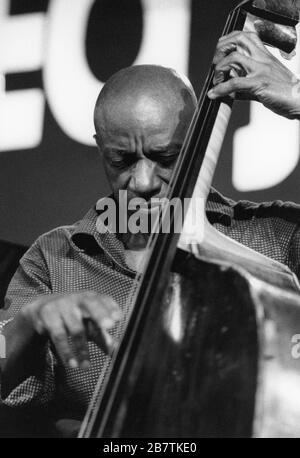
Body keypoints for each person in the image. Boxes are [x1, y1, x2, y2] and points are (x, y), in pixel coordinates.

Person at [1, 31, 300, 436]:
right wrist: (28, 323)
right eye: (121, 160)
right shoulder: (57, 255)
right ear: (100, 148)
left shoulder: (277, 237)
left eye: (164, 157)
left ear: (197, 140)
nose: (141, 182)